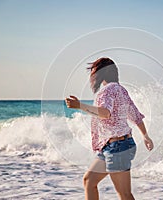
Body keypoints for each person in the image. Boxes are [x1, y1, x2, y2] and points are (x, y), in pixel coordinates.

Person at [65, 57, 154, 200]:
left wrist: (79, 106)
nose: (92, 75)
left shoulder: (107, 90)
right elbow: (135, 115)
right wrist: (145, 135)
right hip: (113, 145)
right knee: (89, 181)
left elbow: (105, 113)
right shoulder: (120, 89)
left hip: (117, 147)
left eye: (94, 71)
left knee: (124, 194)